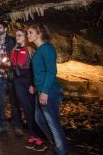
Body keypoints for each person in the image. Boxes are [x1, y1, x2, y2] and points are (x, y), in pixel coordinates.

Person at [27, 23, 68, 155]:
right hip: (41, 90)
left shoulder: (47, 48)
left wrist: (44, 92)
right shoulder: (39, 50)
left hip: (49, 91)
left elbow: (51, 71)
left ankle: (61, 151)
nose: (28, 35)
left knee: (53, 124)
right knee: (39, 119)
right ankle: (57, 146)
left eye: (30, 32)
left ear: (39, 33)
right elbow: (39, 71)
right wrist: (34, 85)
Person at [4, 29, 47, 151]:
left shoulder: (30, 50)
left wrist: (33, 84)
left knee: (32, 110)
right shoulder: (13, 51)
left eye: (20, 35)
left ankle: (40, 138)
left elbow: (35, 69)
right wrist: (8, 65)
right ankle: (34, 136)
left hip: (28, 83)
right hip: (17, 83)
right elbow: (12, 67)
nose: (16, 37)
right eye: (16, 35)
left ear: (24, 38)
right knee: (26, 109)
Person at [0, 21, 23, 135]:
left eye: (0, 27)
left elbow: (17, 55)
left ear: (5, 28)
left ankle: (17, 125)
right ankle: (2, 124)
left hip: (10, 75)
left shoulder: (12, 40)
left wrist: (12, 65)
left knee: (14, 100)